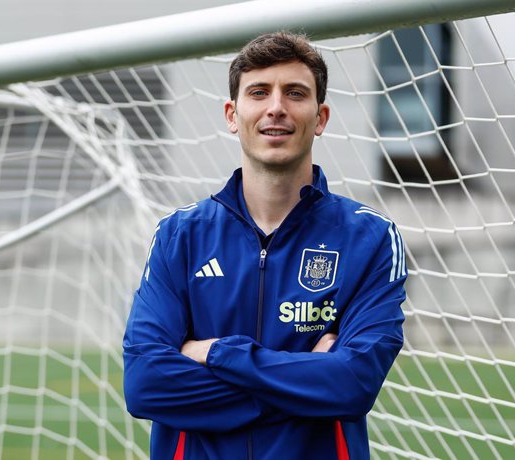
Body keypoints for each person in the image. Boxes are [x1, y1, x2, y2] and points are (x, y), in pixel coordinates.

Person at [123, 31, 407, 460]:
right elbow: (145, 383)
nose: (276, 107)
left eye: (295, 93)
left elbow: (352, 386)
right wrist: (307, 383)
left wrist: (217, 353)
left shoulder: (369, 238)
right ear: (232, 114)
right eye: (259, 92)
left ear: (322, 116)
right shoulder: (180, 236)